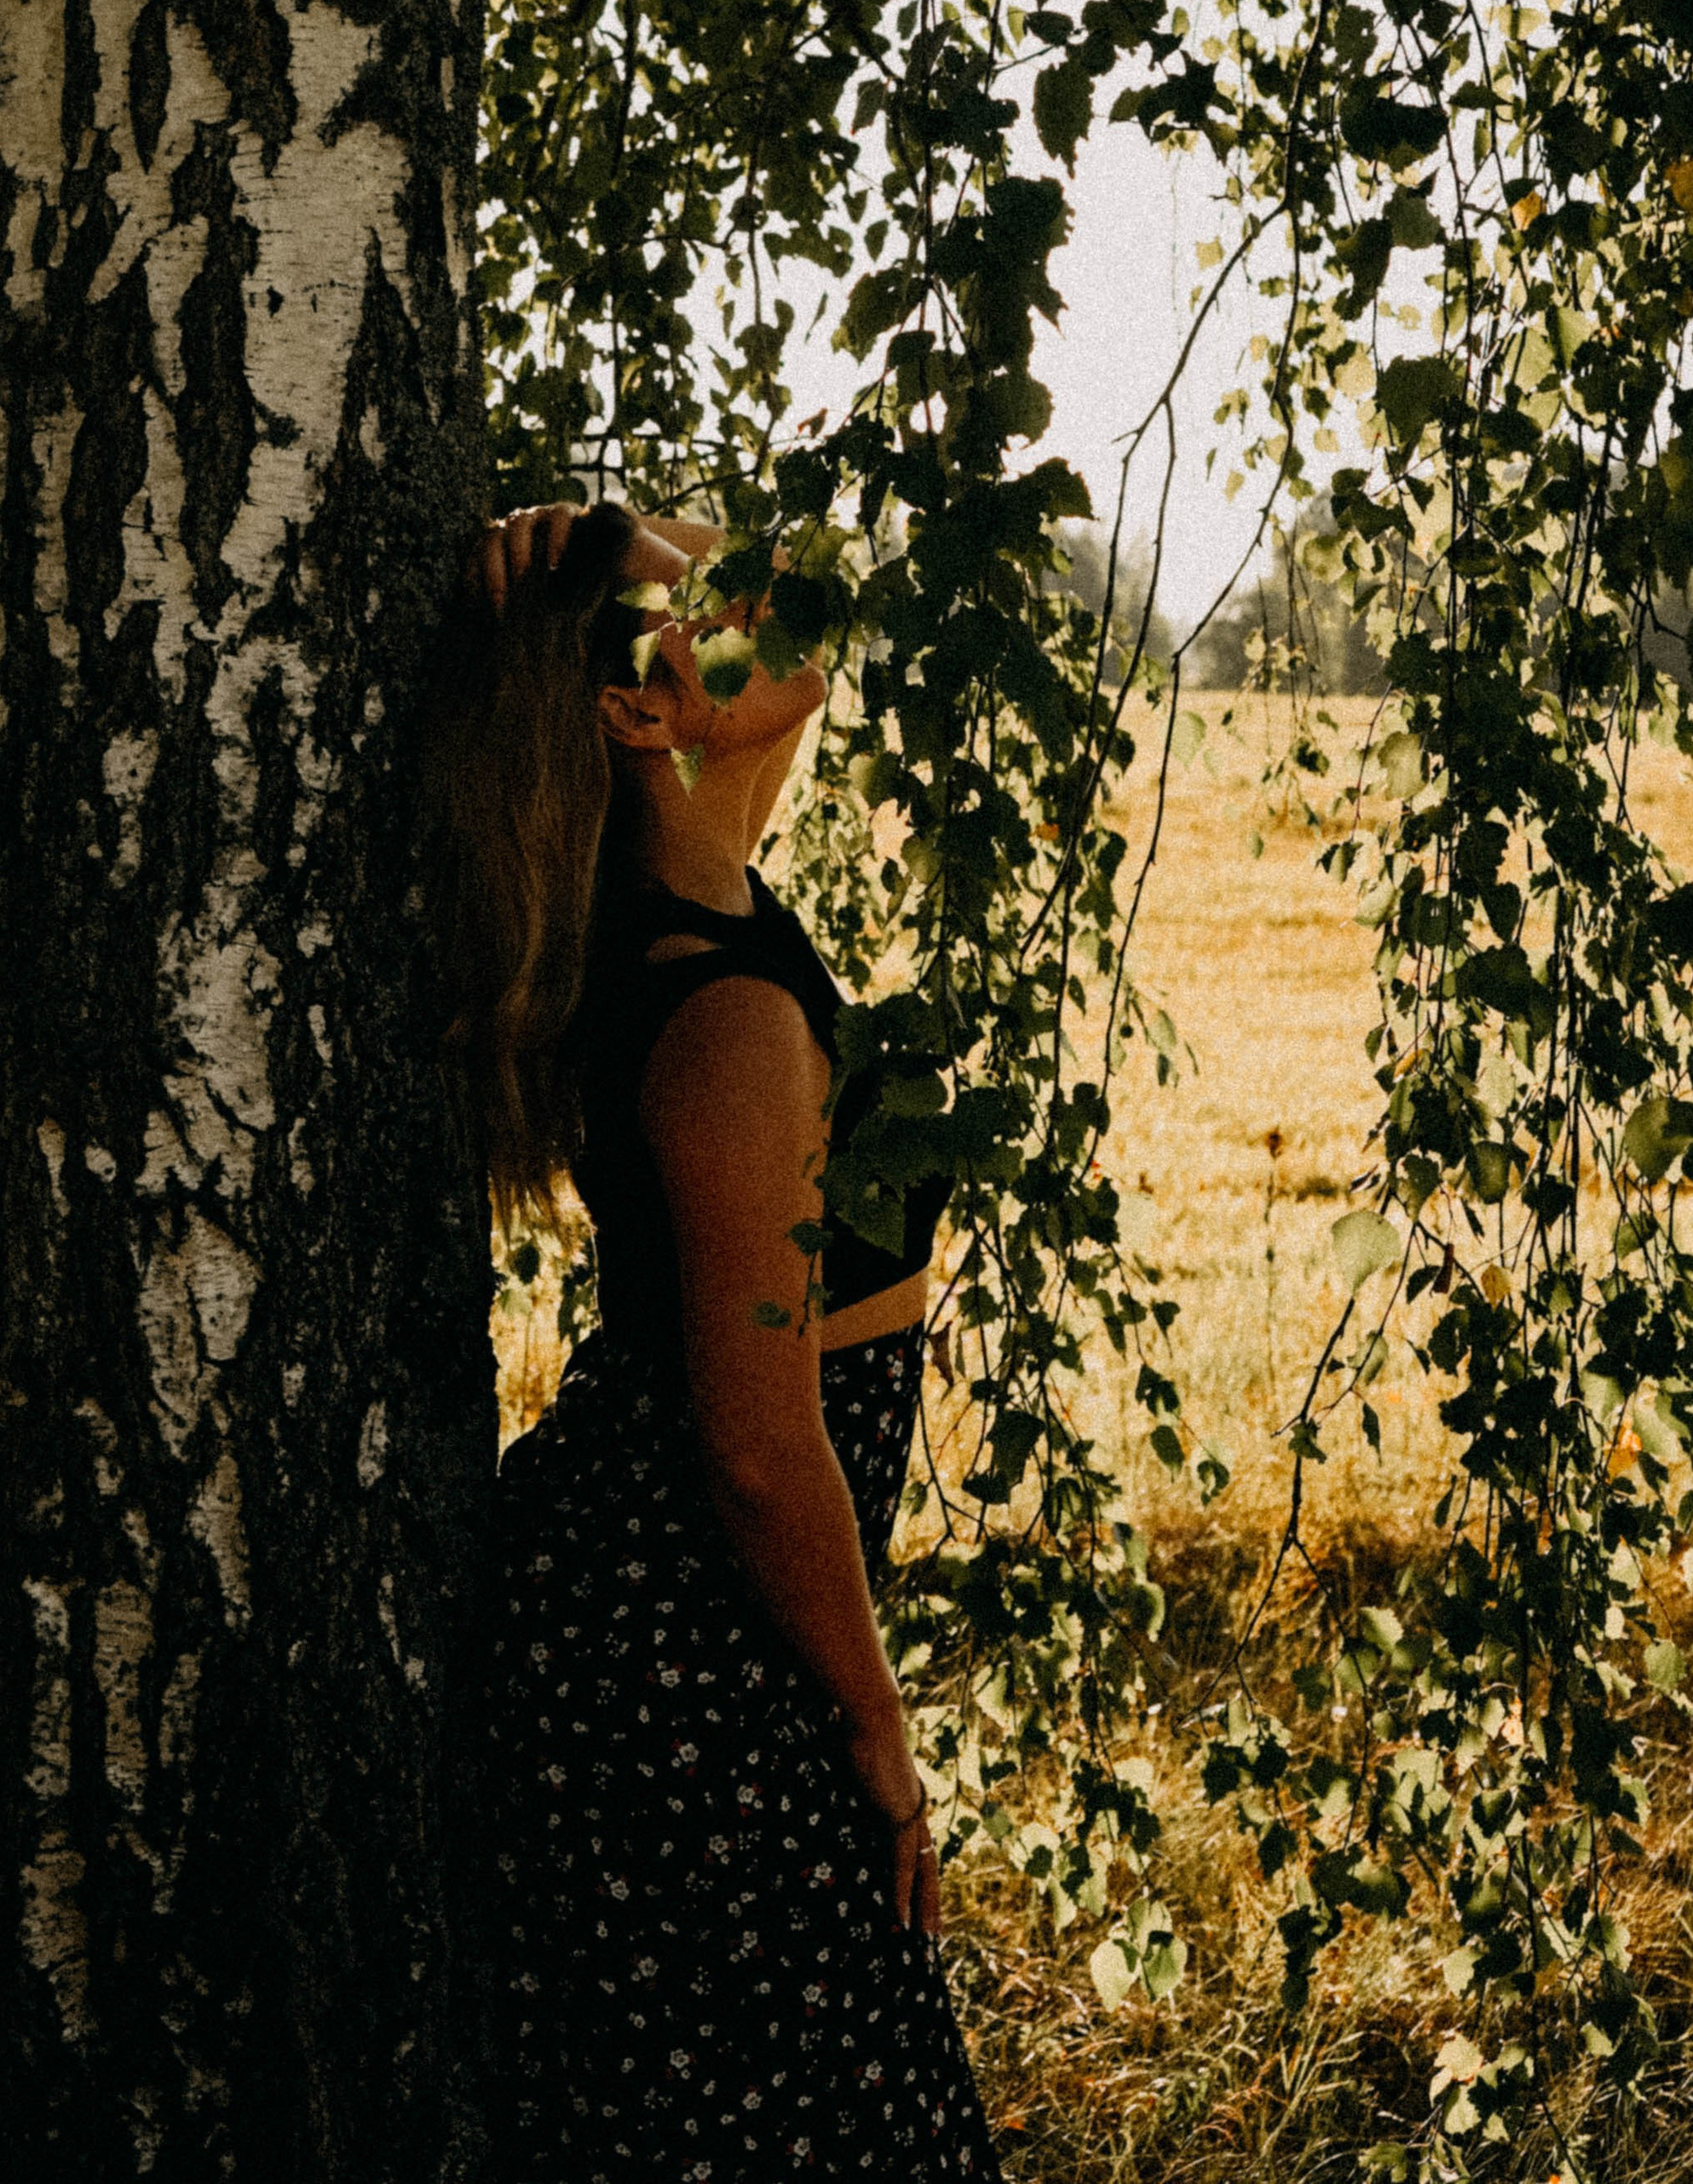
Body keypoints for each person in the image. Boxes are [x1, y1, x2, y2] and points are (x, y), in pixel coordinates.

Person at [428, 497, 1004, 2181]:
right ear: (634, 711)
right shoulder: (726, 1014)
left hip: (666, 1649)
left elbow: (804, 566)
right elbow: (757, 1448)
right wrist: (876, 1730)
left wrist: (606, 541)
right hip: (673, 1671)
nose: (755, 585)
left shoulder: (700, 936)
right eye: (707, 598)